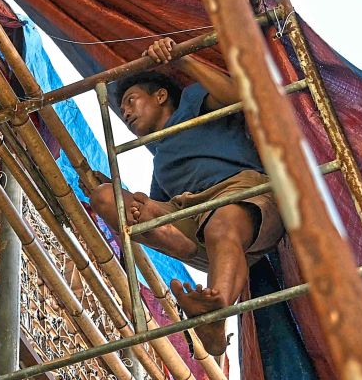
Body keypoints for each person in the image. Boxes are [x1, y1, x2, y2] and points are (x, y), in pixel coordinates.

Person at [90, 38, 285, 358]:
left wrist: (182, 59)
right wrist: (117, 193)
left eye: (130, 100)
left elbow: (240, 97)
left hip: (242, 196)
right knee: (104, 197)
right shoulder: (161, 162)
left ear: (161, 95)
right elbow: (151, 209)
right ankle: (203, 292)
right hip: (195, 221)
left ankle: (214, 316)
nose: (125, 112)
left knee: (219, 224)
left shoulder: (192, 103)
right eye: (122, 108)